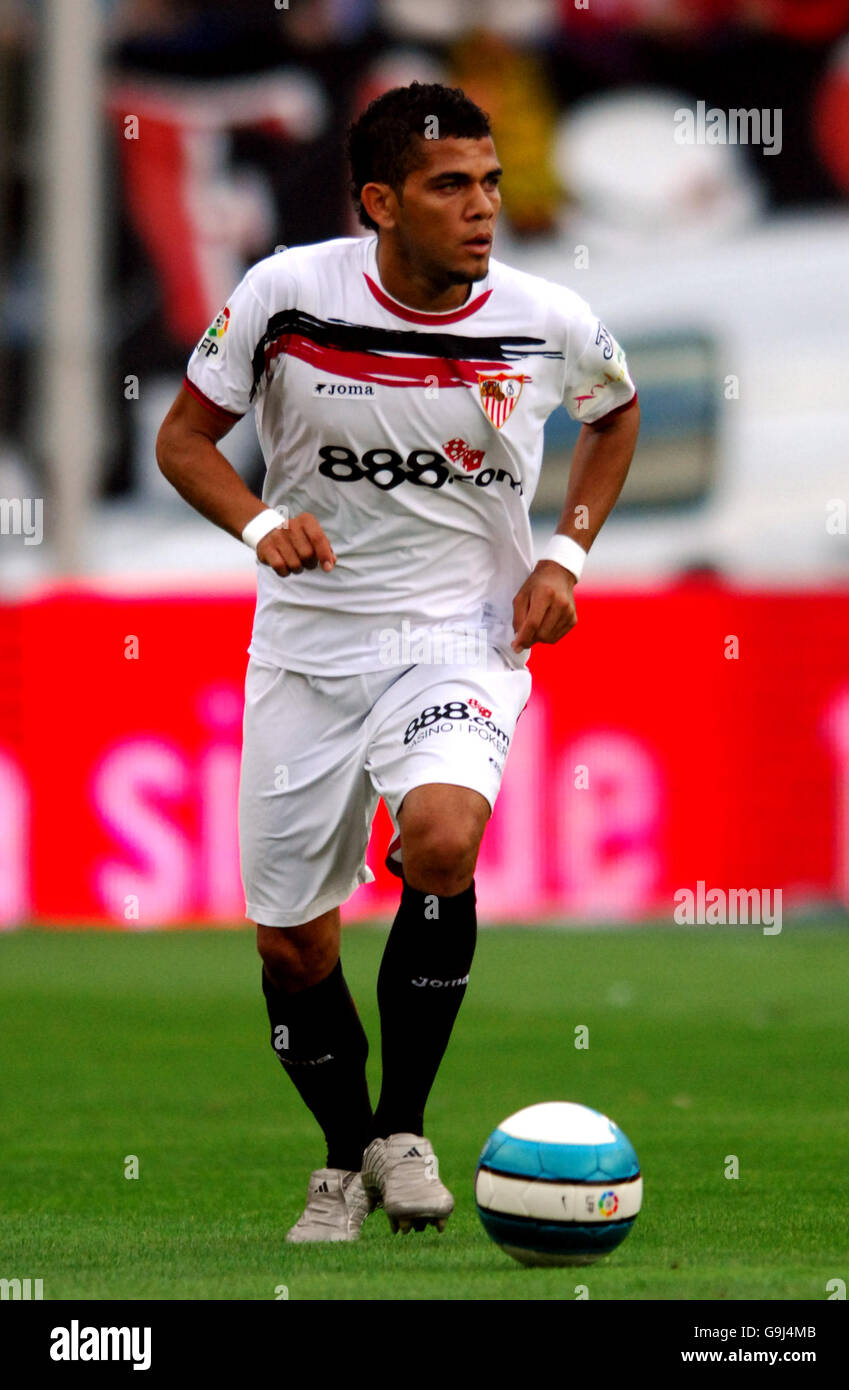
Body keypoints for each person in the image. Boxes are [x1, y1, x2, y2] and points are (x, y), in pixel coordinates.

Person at [155, 81, 639, 1243]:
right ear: (379, 201)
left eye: (489, 183)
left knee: (441, 839)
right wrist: (262, 524)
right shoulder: (283, 294)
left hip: (455, 639)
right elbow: (182, 441)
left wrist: (564, 556)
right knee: (291, 941)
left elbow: (611, 413)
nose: (480, 209)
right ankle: (345, 1154)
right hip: (308, 649)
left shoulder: (544, 318)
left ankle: (405, 1125)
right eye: (448, 187)